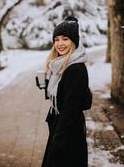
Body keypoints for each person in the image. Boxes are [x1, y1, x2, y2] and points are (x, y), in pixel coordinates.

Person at [40, 16, 92, 167]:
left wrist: (59, 141)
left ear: (74, 41)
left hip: (68, 131)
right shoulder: (62, 64)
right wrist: (47, 86)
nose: (59, 44)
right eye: (56, 39)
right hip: (62, 126)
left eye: (65, 39)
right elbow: (65, 93)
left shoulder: (75, 68)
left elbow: (71, 108)